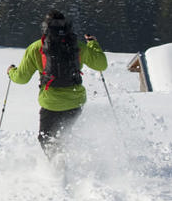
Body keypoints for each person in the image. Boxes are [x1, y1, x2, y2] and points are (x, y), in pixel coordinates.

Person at [7, 9, 107, 158]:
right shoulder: (78, 46)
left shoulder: (36, 48)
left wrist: (11, 72)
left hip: (51, 103)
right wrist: (93, 44)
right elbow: (101, 64)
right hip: (75, 101)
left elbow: (22, 78)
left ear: (45, 27)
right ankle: (72, 162)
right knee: (64, 136)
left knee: (46, 139)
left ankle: (57, 167)